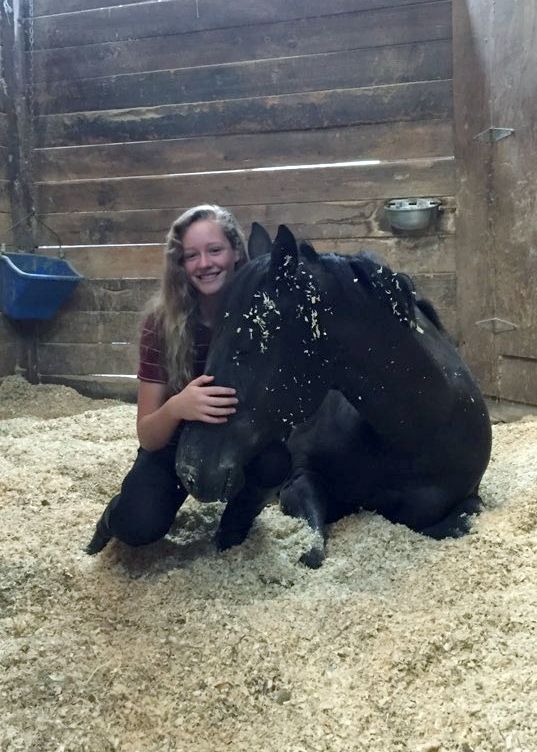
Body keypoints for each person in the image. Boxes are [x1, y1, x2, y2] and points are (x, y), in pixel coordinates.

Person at [85, 204, 250, 555]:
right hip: (173, 447)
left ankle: (237, 522)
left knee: (276, 462)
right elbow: (148, 433)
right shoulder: (162, 324)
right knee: (139, 525)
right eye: (191, 255)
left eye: (215, 250)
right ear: (181, 264)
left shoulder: (258, 317)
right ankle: (113, 516)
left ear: (236, 252)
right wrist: (178, 406)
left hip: (238, 441)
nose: (204, 263)